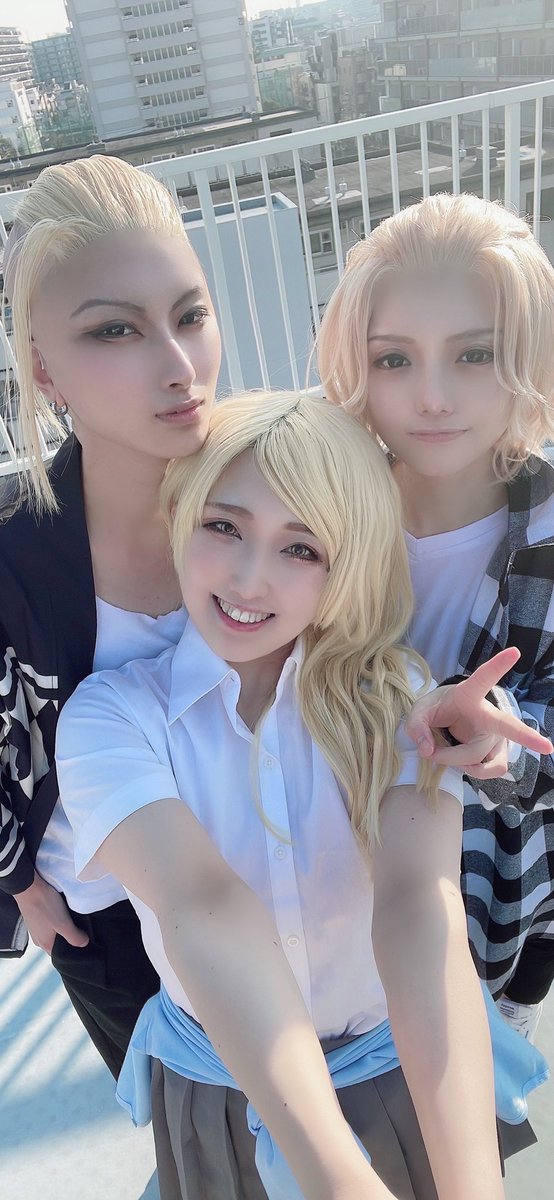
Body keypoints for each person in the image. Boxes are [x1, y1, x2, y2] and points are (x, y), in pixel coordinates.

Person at [54, 388, 527, 1200]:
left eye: (300, 548)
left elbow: (420, 903)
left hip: (408, 1070)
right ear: (180, 516)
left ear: (346, 566)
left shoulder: (395, 698)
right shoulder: (111, 718)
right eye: (224, 526)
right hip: (224, 1091)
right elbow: (203, 905)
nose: (249, 577)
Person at [0, 153, 221, 1077]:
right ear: (42, 368)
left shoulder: (276, 494)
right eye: (115, 330)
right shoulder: (14, 554)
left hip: (274, 877)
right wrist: (20, 881)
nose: (179, 366)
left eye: (190, 316)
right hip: (105, 917)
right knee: (194, 1129)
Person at [315, 191, 554, 1043]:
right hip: (336, 913)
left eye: (474, 353)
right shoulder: (314, 516)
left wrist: (505, 737)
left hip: (504, 908)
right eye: (393, 359)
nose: (432, 397)